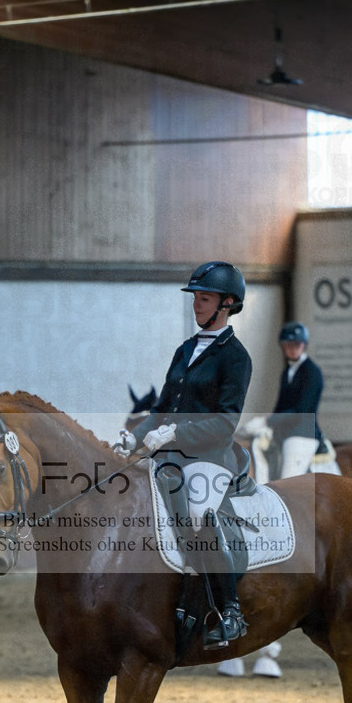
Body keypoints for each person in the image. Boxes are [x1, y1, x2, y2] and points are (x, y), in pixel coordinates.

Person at [114, 261, 253, 647]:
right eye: (195, 297)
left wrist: (177, 432)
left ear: (227, 304)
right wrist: (135, 437)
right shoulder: (185, 349)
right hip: (170, 456)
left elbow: (226, 423)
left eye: (204, 298)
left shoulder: (236, 357)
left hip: (210, 457)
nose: (196, 305)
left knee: (197, 515)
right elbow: (161, 407)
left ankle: (229, 611)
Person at [267, 321, 324, 478]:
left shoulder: (312, 372)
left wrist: (270, 421)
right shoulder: (287, 372)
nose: (292, 349)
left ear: (304, 345)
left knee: (287, 480)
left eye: (296, 344)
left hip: (302, 434)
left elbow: (302, 410)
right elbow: (280, 404)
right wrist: (269, 421)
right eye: (287, 345)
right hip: (285, 431)